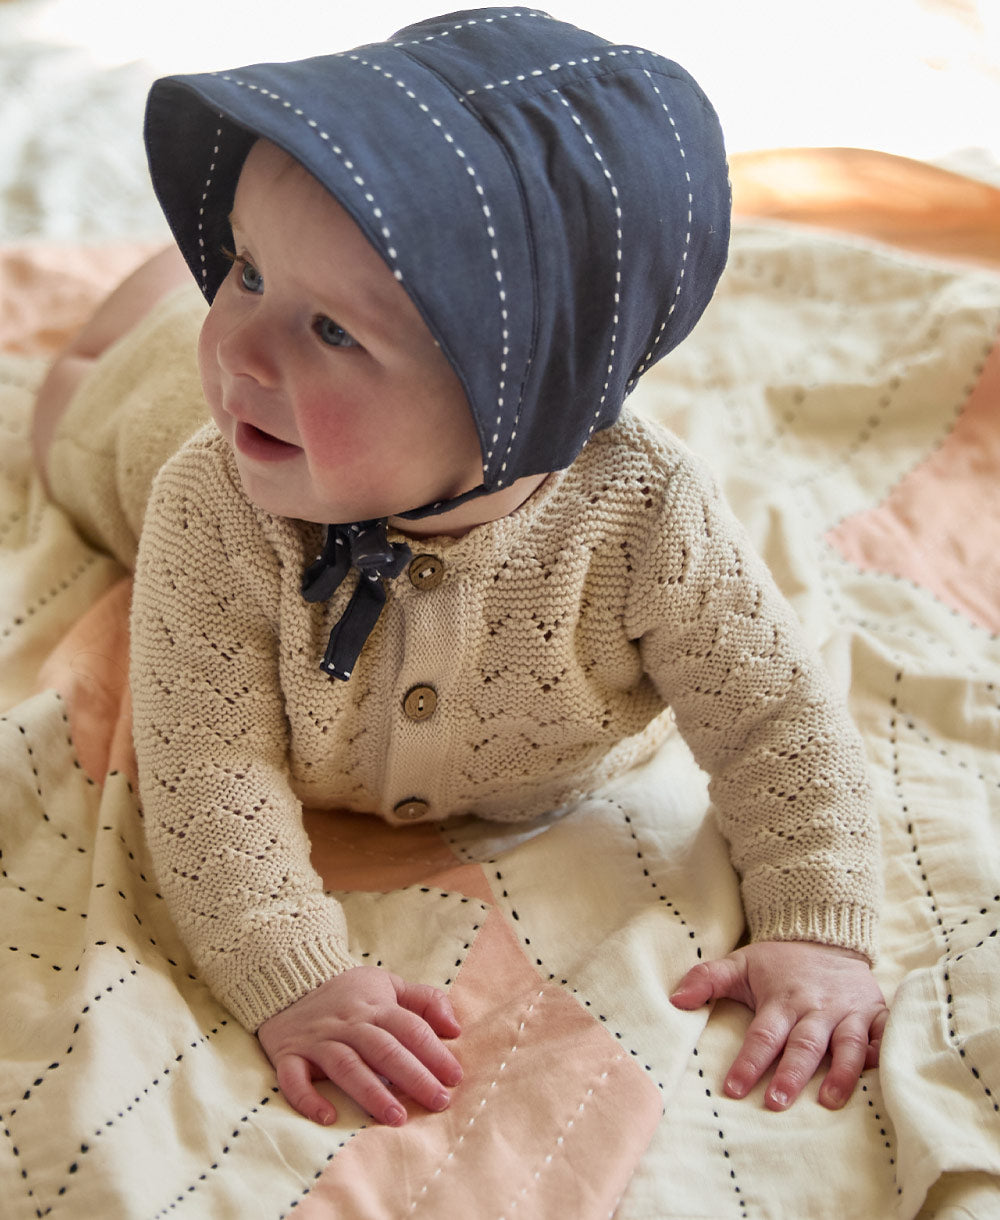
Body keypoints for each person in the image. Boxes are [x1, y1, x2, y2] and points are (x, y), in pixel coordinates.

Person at [32, 7, 888, 1131]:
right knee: (65, 402)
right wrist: (290, 970)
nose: (238, 346)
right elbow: (208, 770)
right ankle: (147, 299)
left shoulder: (644, 511)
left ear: (518, 396)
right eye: (238, 271)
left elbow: (776, 716)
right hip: (140, 422)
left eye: (332, 330)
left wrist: (816, 920)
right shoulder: (214, 493)